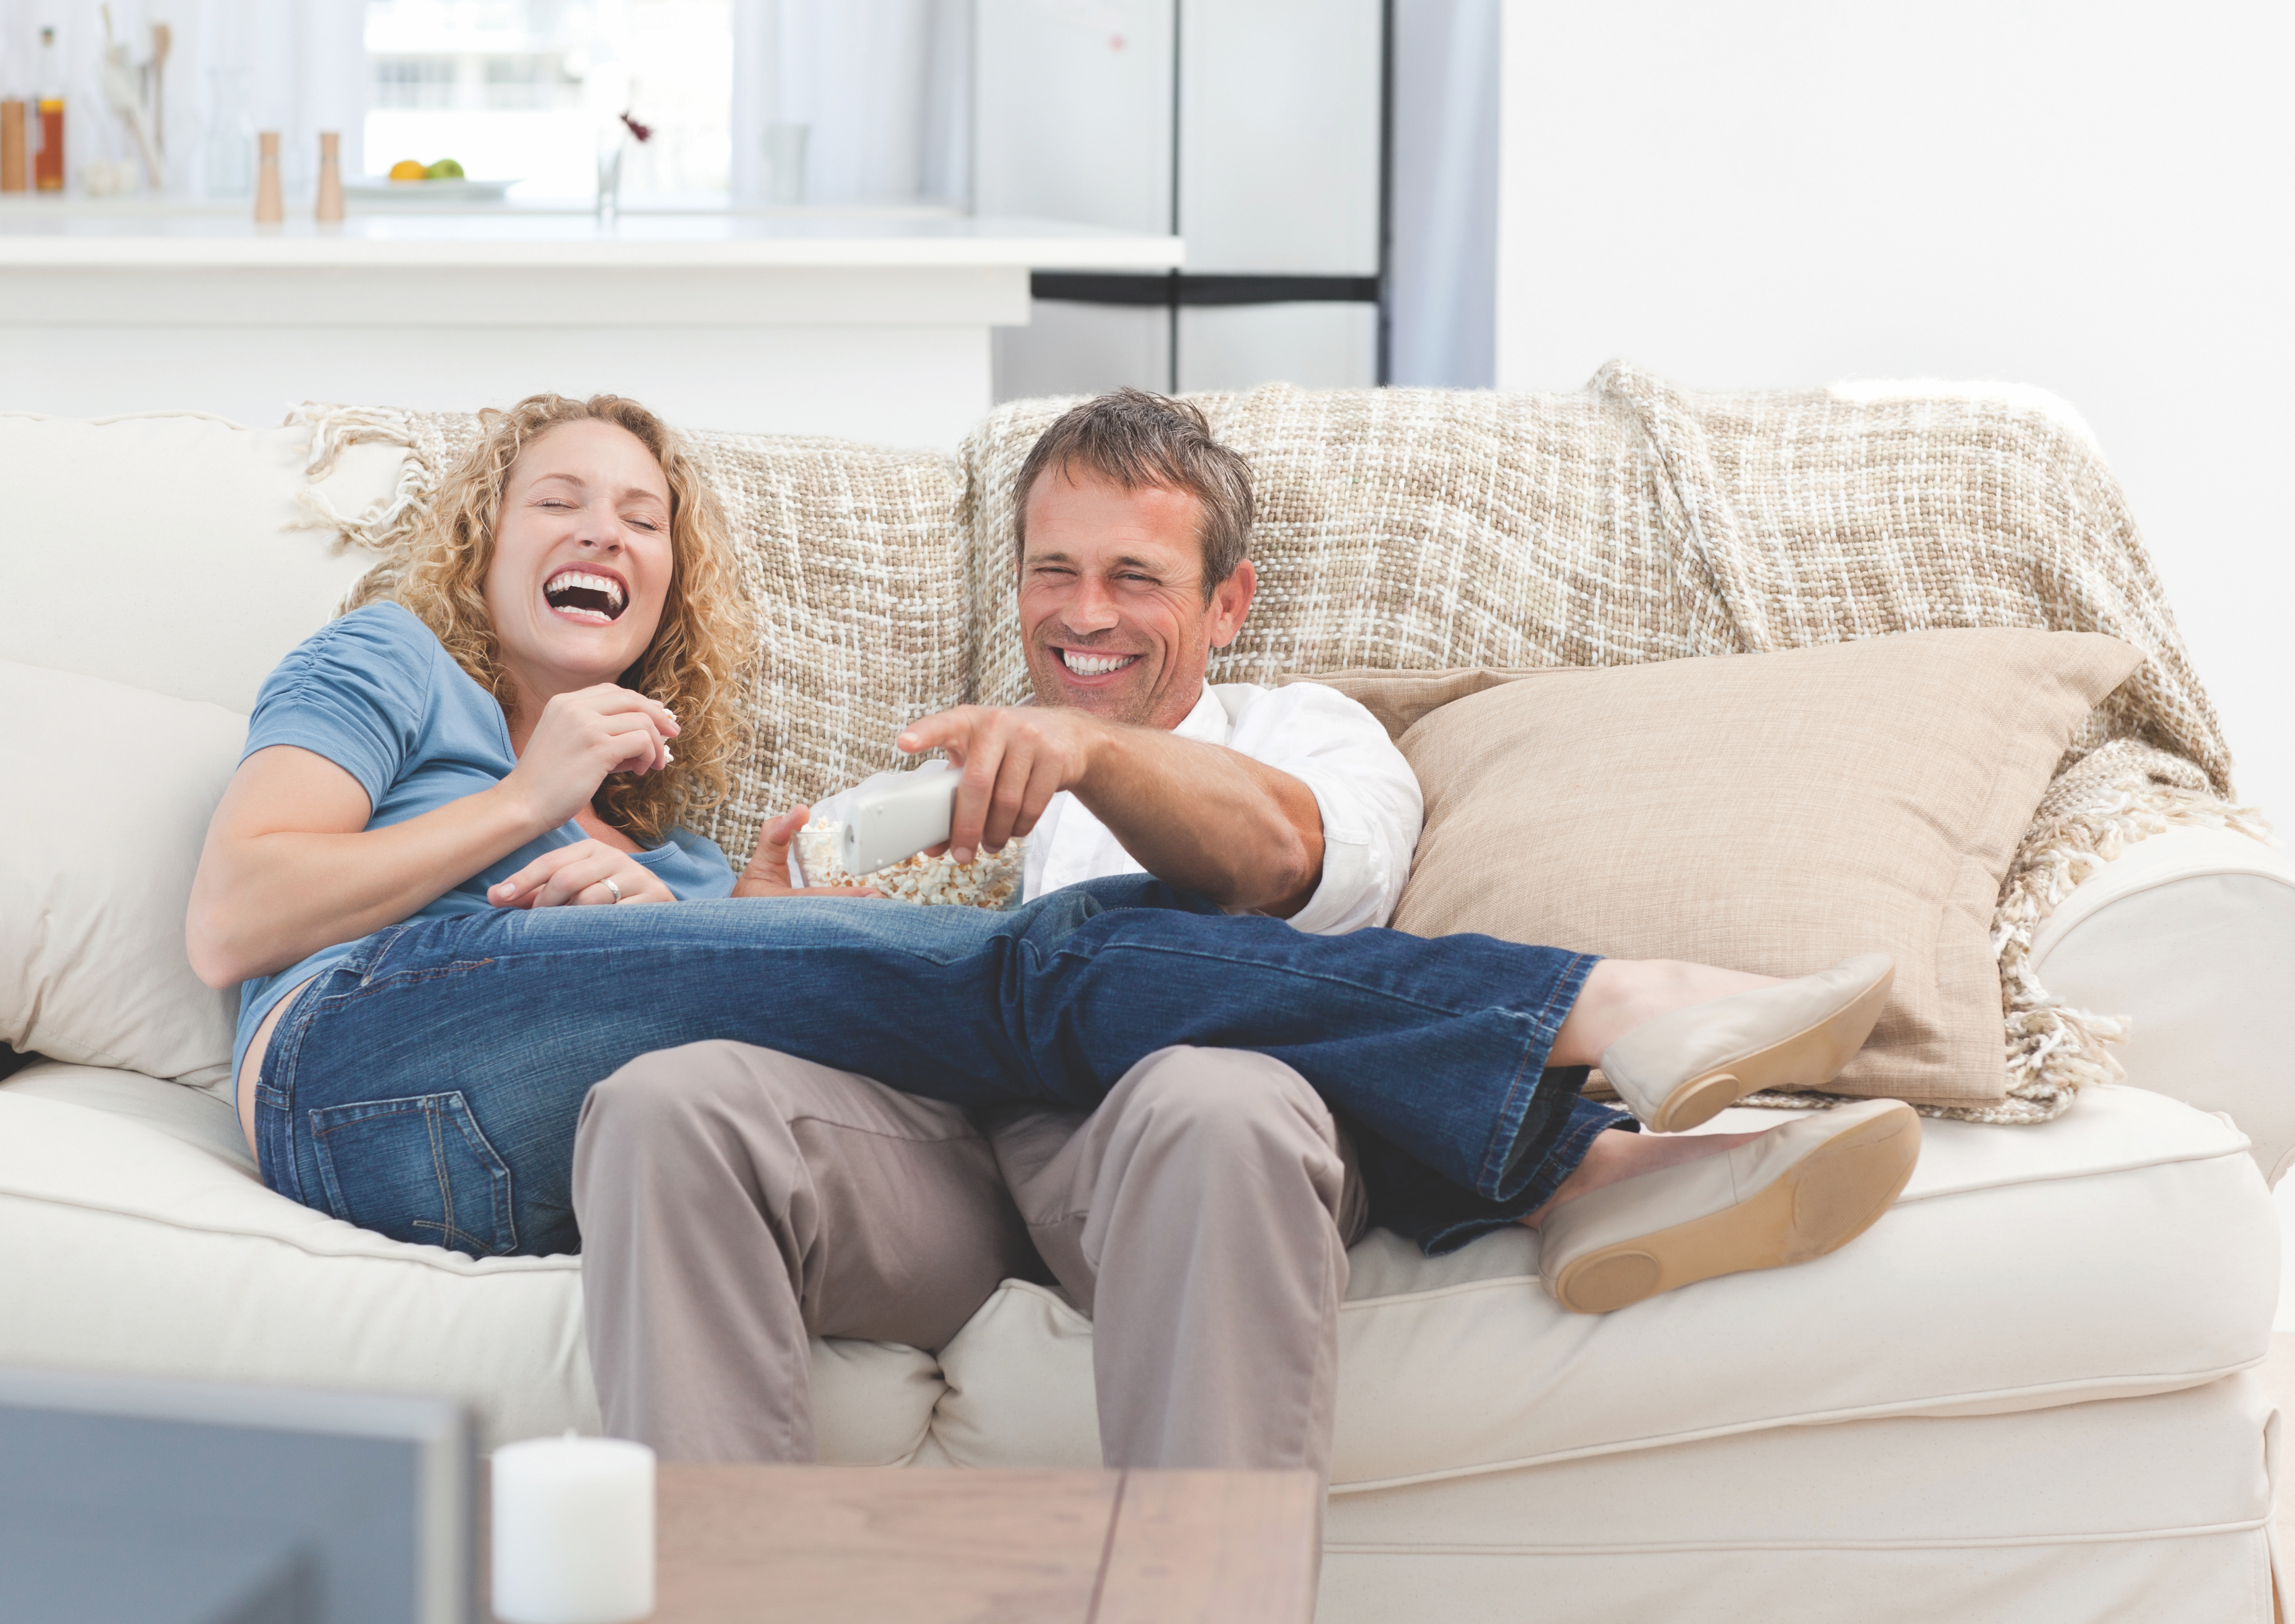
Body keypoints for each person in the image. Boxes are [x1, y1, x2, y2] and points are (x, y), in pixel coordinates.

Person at [188, 393, 1916, 1468]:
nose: (604, 533)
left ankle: (1596, 1085)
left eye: (642, 515)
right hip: (366, 1049)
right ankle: (1579, 1108)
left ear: (1224, 604)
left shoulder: (1299, 727)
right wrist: (537, 808)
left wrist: (738, 909)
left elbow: (1273, 863)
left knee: (1024, 984)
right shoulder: (391, 669)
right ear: (479, 540)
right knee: (1025, 968)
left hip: (1058, 1130)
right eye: (562, 502)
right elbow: (233, 918)